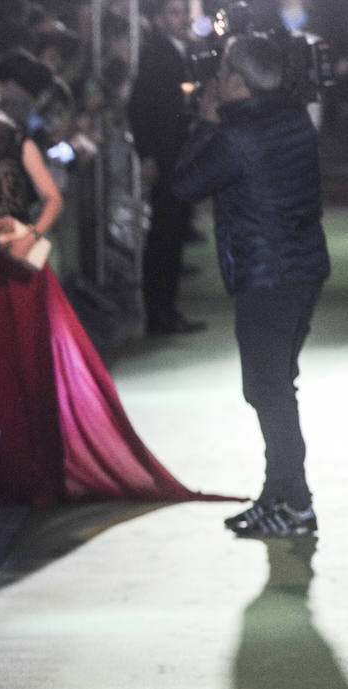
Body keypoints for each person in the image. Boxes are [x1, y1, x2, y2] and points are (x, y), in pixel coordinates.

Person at [0, 60, 205, 507]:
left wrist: (31, 235)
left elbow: (53, 198)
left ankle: (33, 474)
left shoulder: (13, 139)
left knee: (25, 364)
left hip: (18, 264)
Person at [172, 34, 329, 537]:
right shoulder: (294, 117)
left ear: (237, 81)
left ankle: (296, 504)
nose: (215, 77)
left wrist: (203, 123)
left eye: (221, 71)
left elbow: (183, 185)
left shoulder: (236, 138)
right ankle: (278, 496)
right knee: (276, 388)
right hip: (302, 271)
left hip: (268, 278)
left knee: (269, 391)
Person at [129, 0, 208, 334]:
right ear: (160, 18)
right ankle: (160, 313)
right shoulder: (159, 52)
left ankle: (165, 310)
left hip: (173, 154)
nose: (182, 19)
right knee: (164, 235)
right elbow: (141, 108)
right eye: (174, 13)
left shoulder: (175, 50)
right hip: (165, 156)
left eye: (183, 12)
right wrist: (147, 155)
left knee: (171, 234)